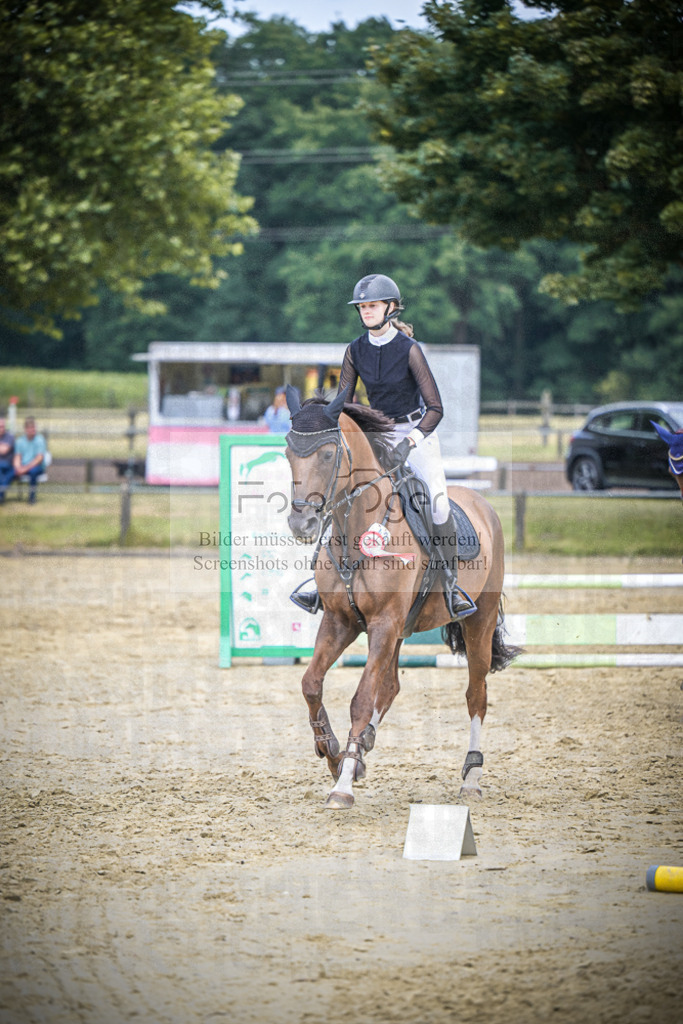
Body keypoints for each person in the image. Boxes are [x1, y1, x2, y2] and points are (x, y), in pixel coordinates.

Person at [292, 273, 476, 621]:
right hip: (374, 433)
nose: (366, 311)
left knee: (436, 504)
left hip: (415, 432)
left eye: (372, 305)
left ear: (390, 308)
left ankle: (451, 586)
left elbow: (436, 408)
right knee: (340, 494)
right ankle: (322, 582)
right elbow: (341, 404)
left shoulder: (410, 351)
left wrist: (410, 442)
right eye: (362, 307)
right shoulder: (354, 350)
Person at [13, 417, 47, 504]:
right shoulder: (20, 441)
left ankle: (32, 498)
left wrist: (25, 468)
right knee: (8, 471)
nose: (33, 430)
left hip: (36, 467)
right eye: (31, 428)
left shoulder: (40, 440)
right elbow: (17, 457)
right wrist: (18, 467)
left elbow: (39, 459)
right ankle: (1, 496)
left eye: (34, 427)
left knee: (33, 472)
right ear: (26, 429)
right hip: (23, 466)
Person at [0, 417, 15, 504]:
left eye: (2, 426)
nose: (1, 428)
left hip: (8, 465)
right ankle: (1, 496)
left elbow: (4, 450)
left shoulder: (10, 437)